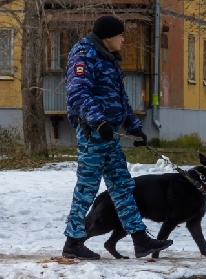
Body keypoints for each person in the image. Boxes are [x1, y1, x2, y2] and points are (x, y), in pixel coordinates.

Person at [63, 15, 173, 260]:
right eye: (120, 35)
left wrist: (134, 127)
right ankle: (72, 242)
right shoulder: (84, 55)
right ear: (108, 37)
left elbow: (119, 99)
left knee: (123, 186)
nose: (124, 39)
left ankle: (140, 240)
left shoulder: (109, 58)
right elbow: (77, 93)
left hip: (109, 133)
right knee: (87, 188)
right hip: (93, 134)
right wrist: (97, 121)